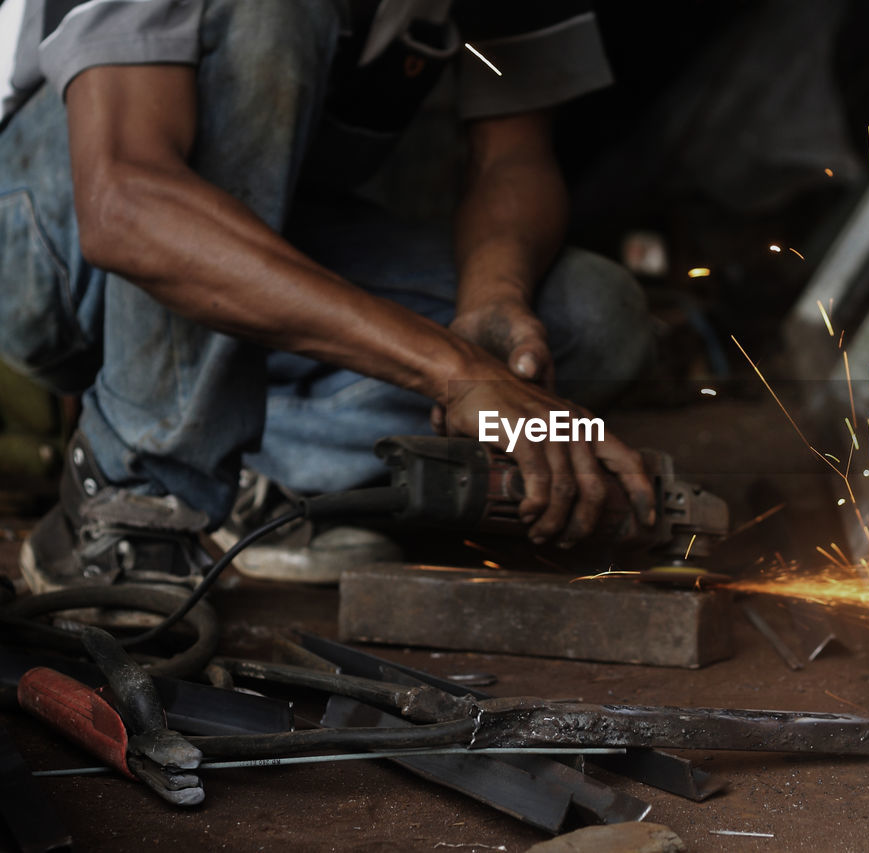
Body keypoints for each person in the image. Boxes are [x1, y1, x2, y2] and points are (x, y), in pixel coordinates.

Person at [0, 0, 657, 592]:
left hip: (250, 254)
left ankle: (252, 464)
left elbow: (512, 157)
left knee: (589, 319)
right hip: (47, 246)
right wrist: (455, 372)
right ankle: (132, 492)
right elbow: (125, 206)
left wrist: (493, 303)